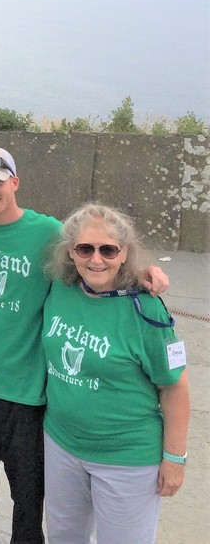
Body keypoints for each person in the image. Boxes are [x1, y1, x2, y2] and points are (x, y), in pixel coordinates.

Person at [0, 145, 169, 544]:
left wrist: (142, 270)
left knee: (29, 510)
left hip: (30, 397)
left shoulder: (47, 232)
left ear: (14, 182)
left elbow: (96, 253)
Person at [42, 203, 189, 544]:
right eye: (85, 248)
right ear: (70, 252)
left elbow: (175, 386)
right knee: (63, 538)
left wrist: (174, 459)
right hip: (62, 446)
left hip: (126, 458)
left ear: (124, 253)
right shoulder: (60, 287)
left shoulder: (146, 308)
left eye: (108, 249)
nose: (96, 259)